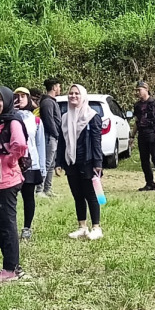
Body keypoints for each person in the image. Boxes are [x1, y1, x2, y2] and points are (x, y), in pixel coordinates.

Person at [0, 86, 29, 281]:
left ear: (8, 102)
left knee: (6, 225)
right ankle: (12, 261)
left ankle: (10, 269)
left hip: (7, 182)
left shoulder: (12, 122)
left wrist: (10, 160)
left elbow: (20, 145)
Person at [59, 84, 105, 241]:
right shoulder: (65, 117)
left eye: (77, 94)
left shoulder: (92, 116)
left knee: (90, 195)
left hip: (88, 161)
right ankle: (82, 227)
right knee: (77, 195)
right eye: (71, 93)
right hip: (71, 161)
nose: (73, 96)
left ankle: (96, 227)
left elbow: (96, 141)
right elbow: (61, 142)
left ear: (83, 96)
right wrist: (59, 162)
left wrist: (98, 163)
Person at [12, 87, 43, 238]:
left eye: (23, 96)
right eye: (16, 96)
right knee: (10, 196)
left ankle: (27, 228)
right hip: (12, 163)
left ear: (29, 99)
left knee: (28, 196)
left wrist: (42, 167)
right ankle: (10, 226)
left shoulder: (36, 120)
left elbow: (40, 144)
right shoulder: (9, 117)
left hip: (31, 163)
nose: (20, 99)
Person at [133, 81, 155, 191]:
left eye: (139, 90)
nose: (137, 92)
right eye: (136, 90)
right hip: (142, 134)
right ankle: (150, 183)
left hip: (154, 133)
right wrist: (132, 136)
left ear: (146, 89)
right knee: (144, 160)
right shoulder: (137, 105)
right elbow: (137, 121)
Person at [39, 78, 64, 196]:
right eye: (58, 86)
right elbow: (49, 121)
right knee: (46, 163)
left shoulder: (52, 101)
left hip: (54, 137)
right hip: (49, 137)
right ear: (54, 87)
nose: (60, 89)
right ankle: (39, 189)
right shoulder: (47, 102)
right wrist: (56, 134)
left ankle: (47, 188)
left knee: (51, 164)